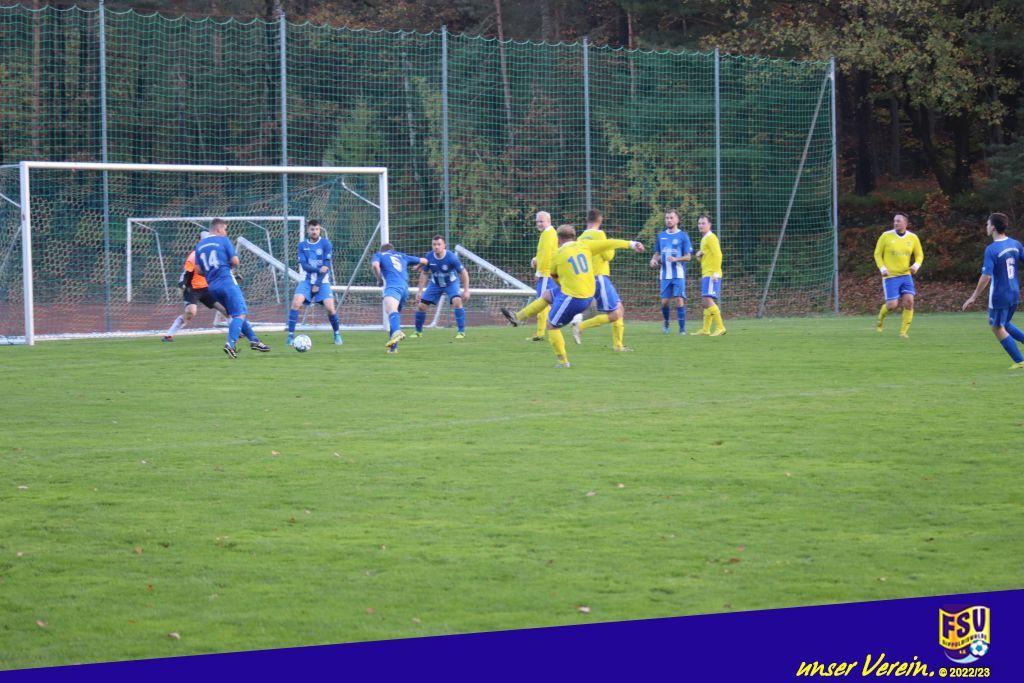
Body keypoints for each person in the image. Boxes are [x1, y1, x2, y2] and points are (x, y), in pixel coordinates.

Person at [501, 225, 644, 367]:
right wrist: (632, 244)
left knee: (551, 326)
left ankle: (563, 362)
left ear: (558, 239)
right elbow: (610, 243)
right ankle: (517, 318)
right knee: (547, 295)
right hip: (588, 292)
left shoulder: (557, 255)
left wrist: (562, 284)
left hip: (575, 297)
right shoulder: (584, 245)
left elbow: (554, 276)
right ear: (574, 237)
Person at [194, 219, 270, 358]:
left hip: (212, 287)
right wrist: (224, 266)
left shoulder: (199, 246)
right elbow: (235, 261)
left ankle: (254, 341)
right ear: (218, 229)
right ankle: (230, 344)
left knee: (235, 314)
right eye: (225, 229)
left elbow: (198, 270)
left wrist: (212, 272)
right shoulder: (223, 240)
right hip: (227, 282)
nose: (226, 232)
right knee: (240, 313)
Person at [961, 212, 1023, 369]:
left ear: (993, 227)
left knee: (996, 327)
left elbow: (986, 276)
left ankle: (1020, 361)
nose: (986, 226)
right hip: (1014, 292)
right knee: (1005, 323)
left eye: (988, 224)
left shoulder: (992, 249)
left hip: (999, 295)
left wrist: (973, 296)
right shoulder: (1015, 244)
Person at [572, 209, 631, 351]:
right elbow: (608, 256)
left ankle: (618, 345)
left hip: (588, 278)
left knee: (619, 308)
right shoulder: (600, 234)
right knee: (615, 313)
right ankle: (581, 326)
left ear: (587, 220)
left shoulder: (580, 238)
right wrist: (611, 244)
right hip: (600, 277)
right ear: (600, 220)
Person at [162, 230, 228, 341]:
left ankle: (237, 332)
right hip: (192, 289)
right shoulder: (194, 256)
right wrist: (181, 285)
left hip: (207, 289)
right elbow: (186, 272)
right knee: (190, 312)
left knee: (225, 309)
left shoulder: (215, 254)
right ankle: (169, 335)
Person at [285, 220, 342, 346]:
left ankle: (337, 333)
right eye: (312, 229)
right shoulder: (302, 245)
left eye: (316, 229)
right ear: (308, 230)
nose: (314, 232)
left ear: (319, 230)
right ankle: (290, 336)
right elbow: (305, 266)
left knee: (330, 309)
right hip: (306, 280)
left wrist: (317, 284)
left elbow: (326, 267)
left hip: (323, 281)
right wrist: (317, 270)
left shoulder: (326, 243)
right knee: (296, 303)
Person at [874, 212, 924, 338]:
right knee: (892, 305)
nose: (895, 223)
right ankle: (880, 320)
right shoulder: (886, 236)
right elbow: (877, 254)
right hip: (890, 276)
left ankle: (903, 333)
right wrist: (882, 268)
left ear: (906, 223)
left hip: (906, 275)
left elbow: (919, 255)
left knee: (909, 302)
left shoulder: (913, 237)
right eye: (894, 221)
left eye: (898, 221)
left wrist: (916, 266)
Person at [371, 243, 428, 353]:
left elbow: (375, 266)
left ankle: (397, 332)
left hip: (393, 286)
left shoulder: (379, 255)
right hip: (405, 289)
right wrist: (417, 267)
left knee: (391, 311)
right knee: (394, 317)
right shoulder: (402, 255)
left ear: (382, 250)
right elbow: (425, 261)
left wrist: (379, 279)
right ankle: (393, 348)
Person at [413, 235, 470, 339]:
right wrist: (420, 291)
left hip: (451, 283)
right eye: (434, 244)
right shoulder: (429, 256)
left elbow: (464, 272)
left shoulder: (451, 257)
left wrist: (466, 290)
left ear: (444, 245)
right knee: (421, 306)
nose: (436, 247)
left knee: (457, 301)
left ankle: (461, 332)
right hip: (435, 284)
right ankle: (418, 332)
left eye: (439, 244)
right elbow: (424, 273)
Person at [649, 209, 693, 334]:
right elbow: (657, 253)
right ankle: (666, 322)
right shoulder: (661, 236)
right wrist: (653, 260)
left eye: (671, 218)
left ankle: (682, 329)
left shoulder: (683, 236)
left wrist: (676, 259)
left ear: (677, 220)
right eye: (667, 218)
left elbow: (688, 257)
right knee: (664, 302)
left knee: (679, 299)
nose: (669, 220)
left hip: (678, 274)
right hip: (665, 274)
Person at [694, 214, 725, 336]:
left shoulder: (711, 237)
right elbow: (707, 258)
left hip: (712, 274)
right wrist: (699, 257)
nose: (701, 225)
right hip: (706, 273)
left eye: (703, 223)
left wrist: (716, 273)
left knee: (708, 299)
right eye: (699, 223)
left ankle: (720, 327)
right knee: (705, 301)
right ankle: (705, 330)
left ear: (709, 225)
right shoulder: (704, 239)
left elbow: (718, 255)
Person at [529, 211, 558, 342]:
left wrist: (539, 272)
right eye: (537, 221)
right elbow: (545, 253)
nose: (539, 224)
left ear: (549, 221)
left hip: (546, 274)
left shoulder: (548, 234)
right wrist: (535, 259)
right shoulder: (549, 233)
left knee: (542, 303)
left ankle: (540, 333)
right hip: (548, 273)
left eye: (542, 221)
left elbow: (546, 256)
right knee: (548, 303)